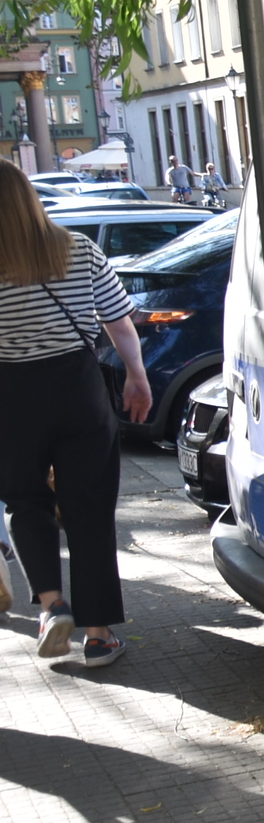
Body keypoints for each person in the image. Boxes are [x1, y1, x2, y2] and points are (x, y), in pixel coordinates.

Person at [0, 165, 152, 666]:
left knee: (24, 501)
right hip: (78, 388)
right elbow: (119, 323)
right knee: (88, 509)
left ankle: (50, 607)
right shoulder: (79, 249)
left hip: (11, 395)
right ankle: (98, 633)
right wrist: (137, 376)